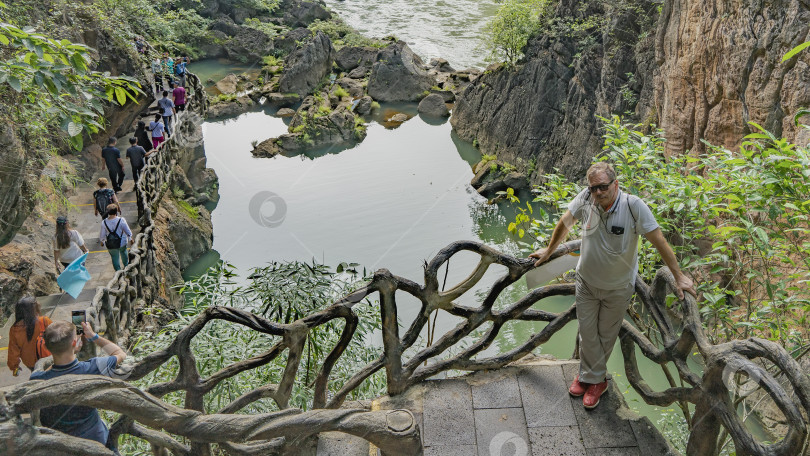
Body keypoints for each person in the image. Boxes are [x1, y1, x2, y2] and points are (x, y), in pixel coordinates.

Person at [529, 162, 695, 410]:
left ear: (615, 184)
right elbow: (565, 222)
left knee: (605, 336)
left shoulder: (633, 206)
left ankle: (591, 380)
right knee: (587, 332)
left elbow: (658, 239)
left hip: (617, 288)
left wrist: (678, 276)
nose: (598, 192)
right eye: (593, 188)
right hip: (586, 282)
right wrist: (549, 251)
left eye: (603, 187)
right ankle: (594, 379)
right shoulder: (586, 199)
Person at [31, 320, 126, 453]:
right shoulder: (92, 368)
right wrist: (93, 336)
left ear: (46, 347)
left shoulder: (37, 379)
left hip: (59, 446)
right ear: (75, 342)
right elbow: (120, 353)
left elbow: (54, 370)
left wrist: (60, 357)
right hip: (95, 441)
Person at [7, 297, 52, 377]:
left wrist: (14, 367)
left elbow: (13, 351)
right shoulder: (44, 321)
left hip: (30, 363)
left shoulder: (14, 329)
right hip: (47, 358)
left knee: (37, 376)